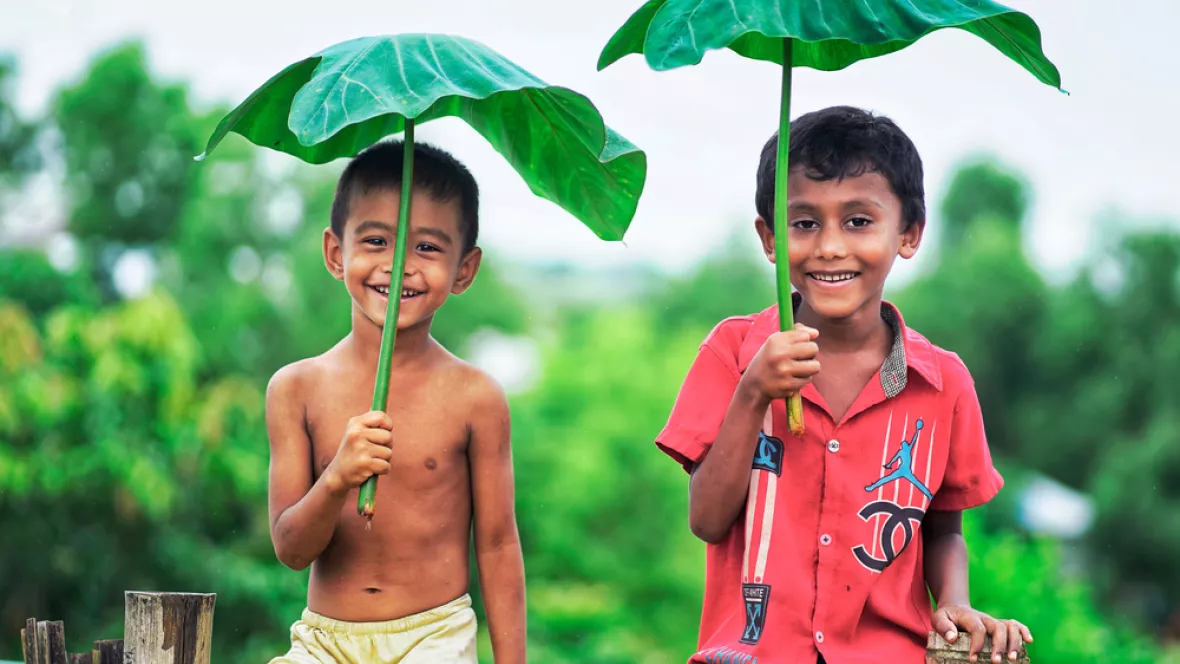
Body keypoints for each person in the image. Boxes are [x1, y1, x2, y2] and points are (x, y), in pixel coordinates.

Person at [655, 106, 1032, 664]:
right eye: (804, 223)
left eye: (858, 221)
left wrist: (954, 602)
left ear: (908, 234)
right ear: (769, 237)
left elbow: (943, 528)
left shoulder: (944, 383)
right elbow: (707, 521)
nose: (829, 246)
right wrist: (753, 392)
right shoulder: (734, 353)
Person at [264, 140, 525, 664]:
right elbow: (291, 550)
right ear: (337, 254)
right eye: (377, 240)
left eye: (427, 248)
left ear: (464, 270)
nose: (399, 264)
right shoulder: (296, 389)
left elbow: (497, 546)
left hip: (435, 638)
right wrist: (337, 476)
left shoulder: (476, 397)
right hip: (323, 643)